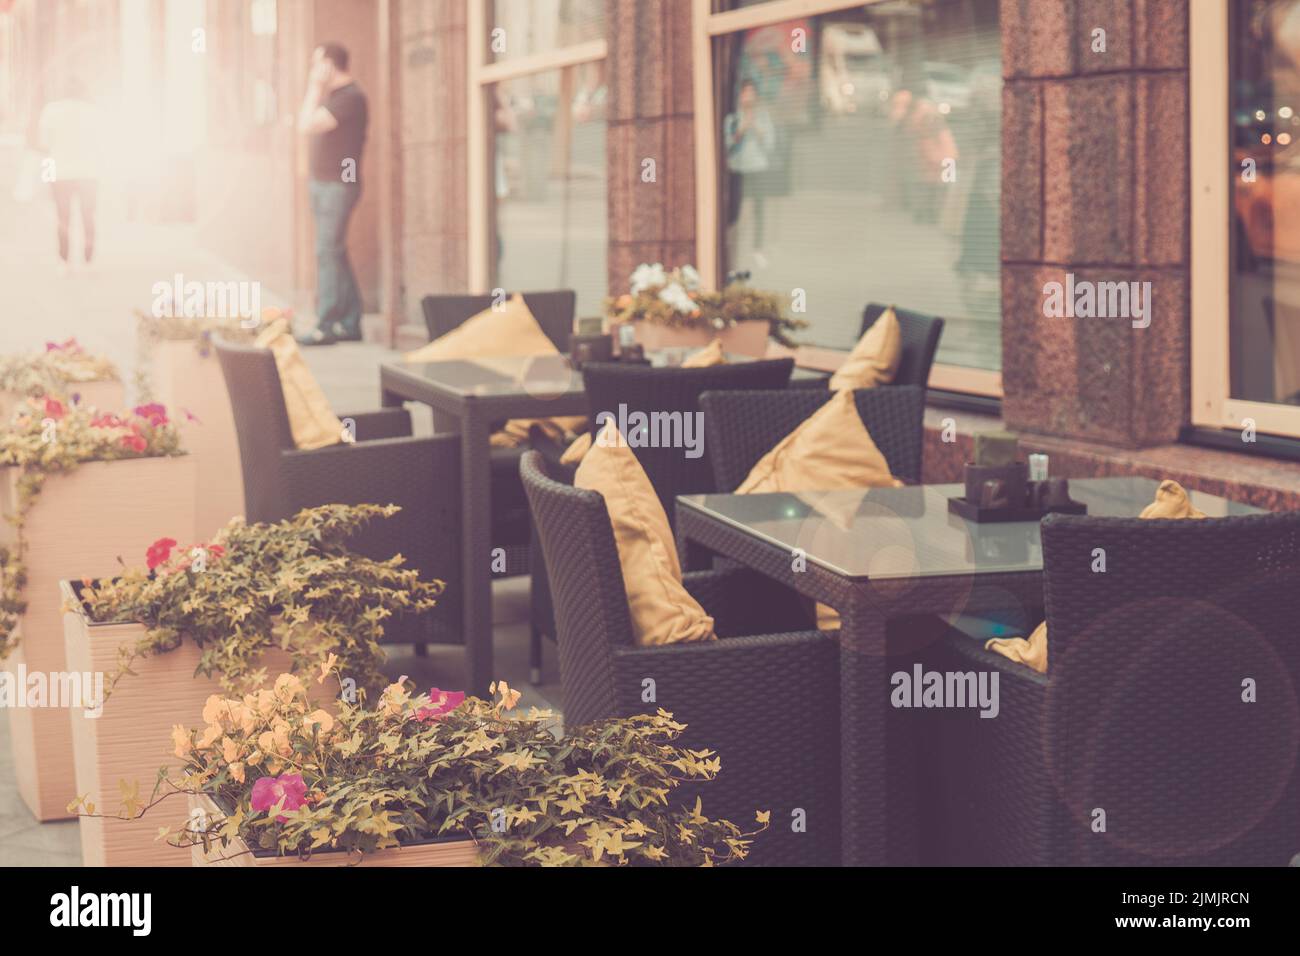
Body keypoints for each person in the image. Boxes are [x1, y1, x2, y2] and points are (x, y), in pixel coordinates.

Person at [296, 43, 368, 345]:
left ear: (329, 64)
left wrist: (314, 86)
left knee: (326, 251)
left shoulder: (350, 97)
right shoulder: (337, 97)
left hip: (338, 186)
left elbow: (306, 125)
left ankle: (325, 325)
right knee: (334, 251)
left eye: (317, 64)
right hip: (324, 184)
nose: (313, 70)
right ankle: (351, 323)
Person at [36, 78, 103, 270]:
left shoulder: (51, 111)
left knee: (63, 217)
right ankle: (88, 260)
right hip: (89, 172)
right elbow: (103, 144)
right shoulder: (95, 113)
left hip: (61, 171)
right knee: (88, 216)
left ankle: (64, 261)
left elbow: (44, 145)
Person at [723, 79, 776, 270]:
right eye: (745, 93)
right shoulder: (733, 119)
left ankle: (757, 248)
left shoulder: (762, 117)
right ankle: (731, 248)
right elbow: (727, 145)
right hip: (738, 168)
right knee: (735, 211)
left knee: (758, 210)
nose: (749, 97)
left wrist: (756, 127)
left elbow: (770, 144)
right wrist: (741, 130)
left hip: (758, 167)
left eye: (752, 93)